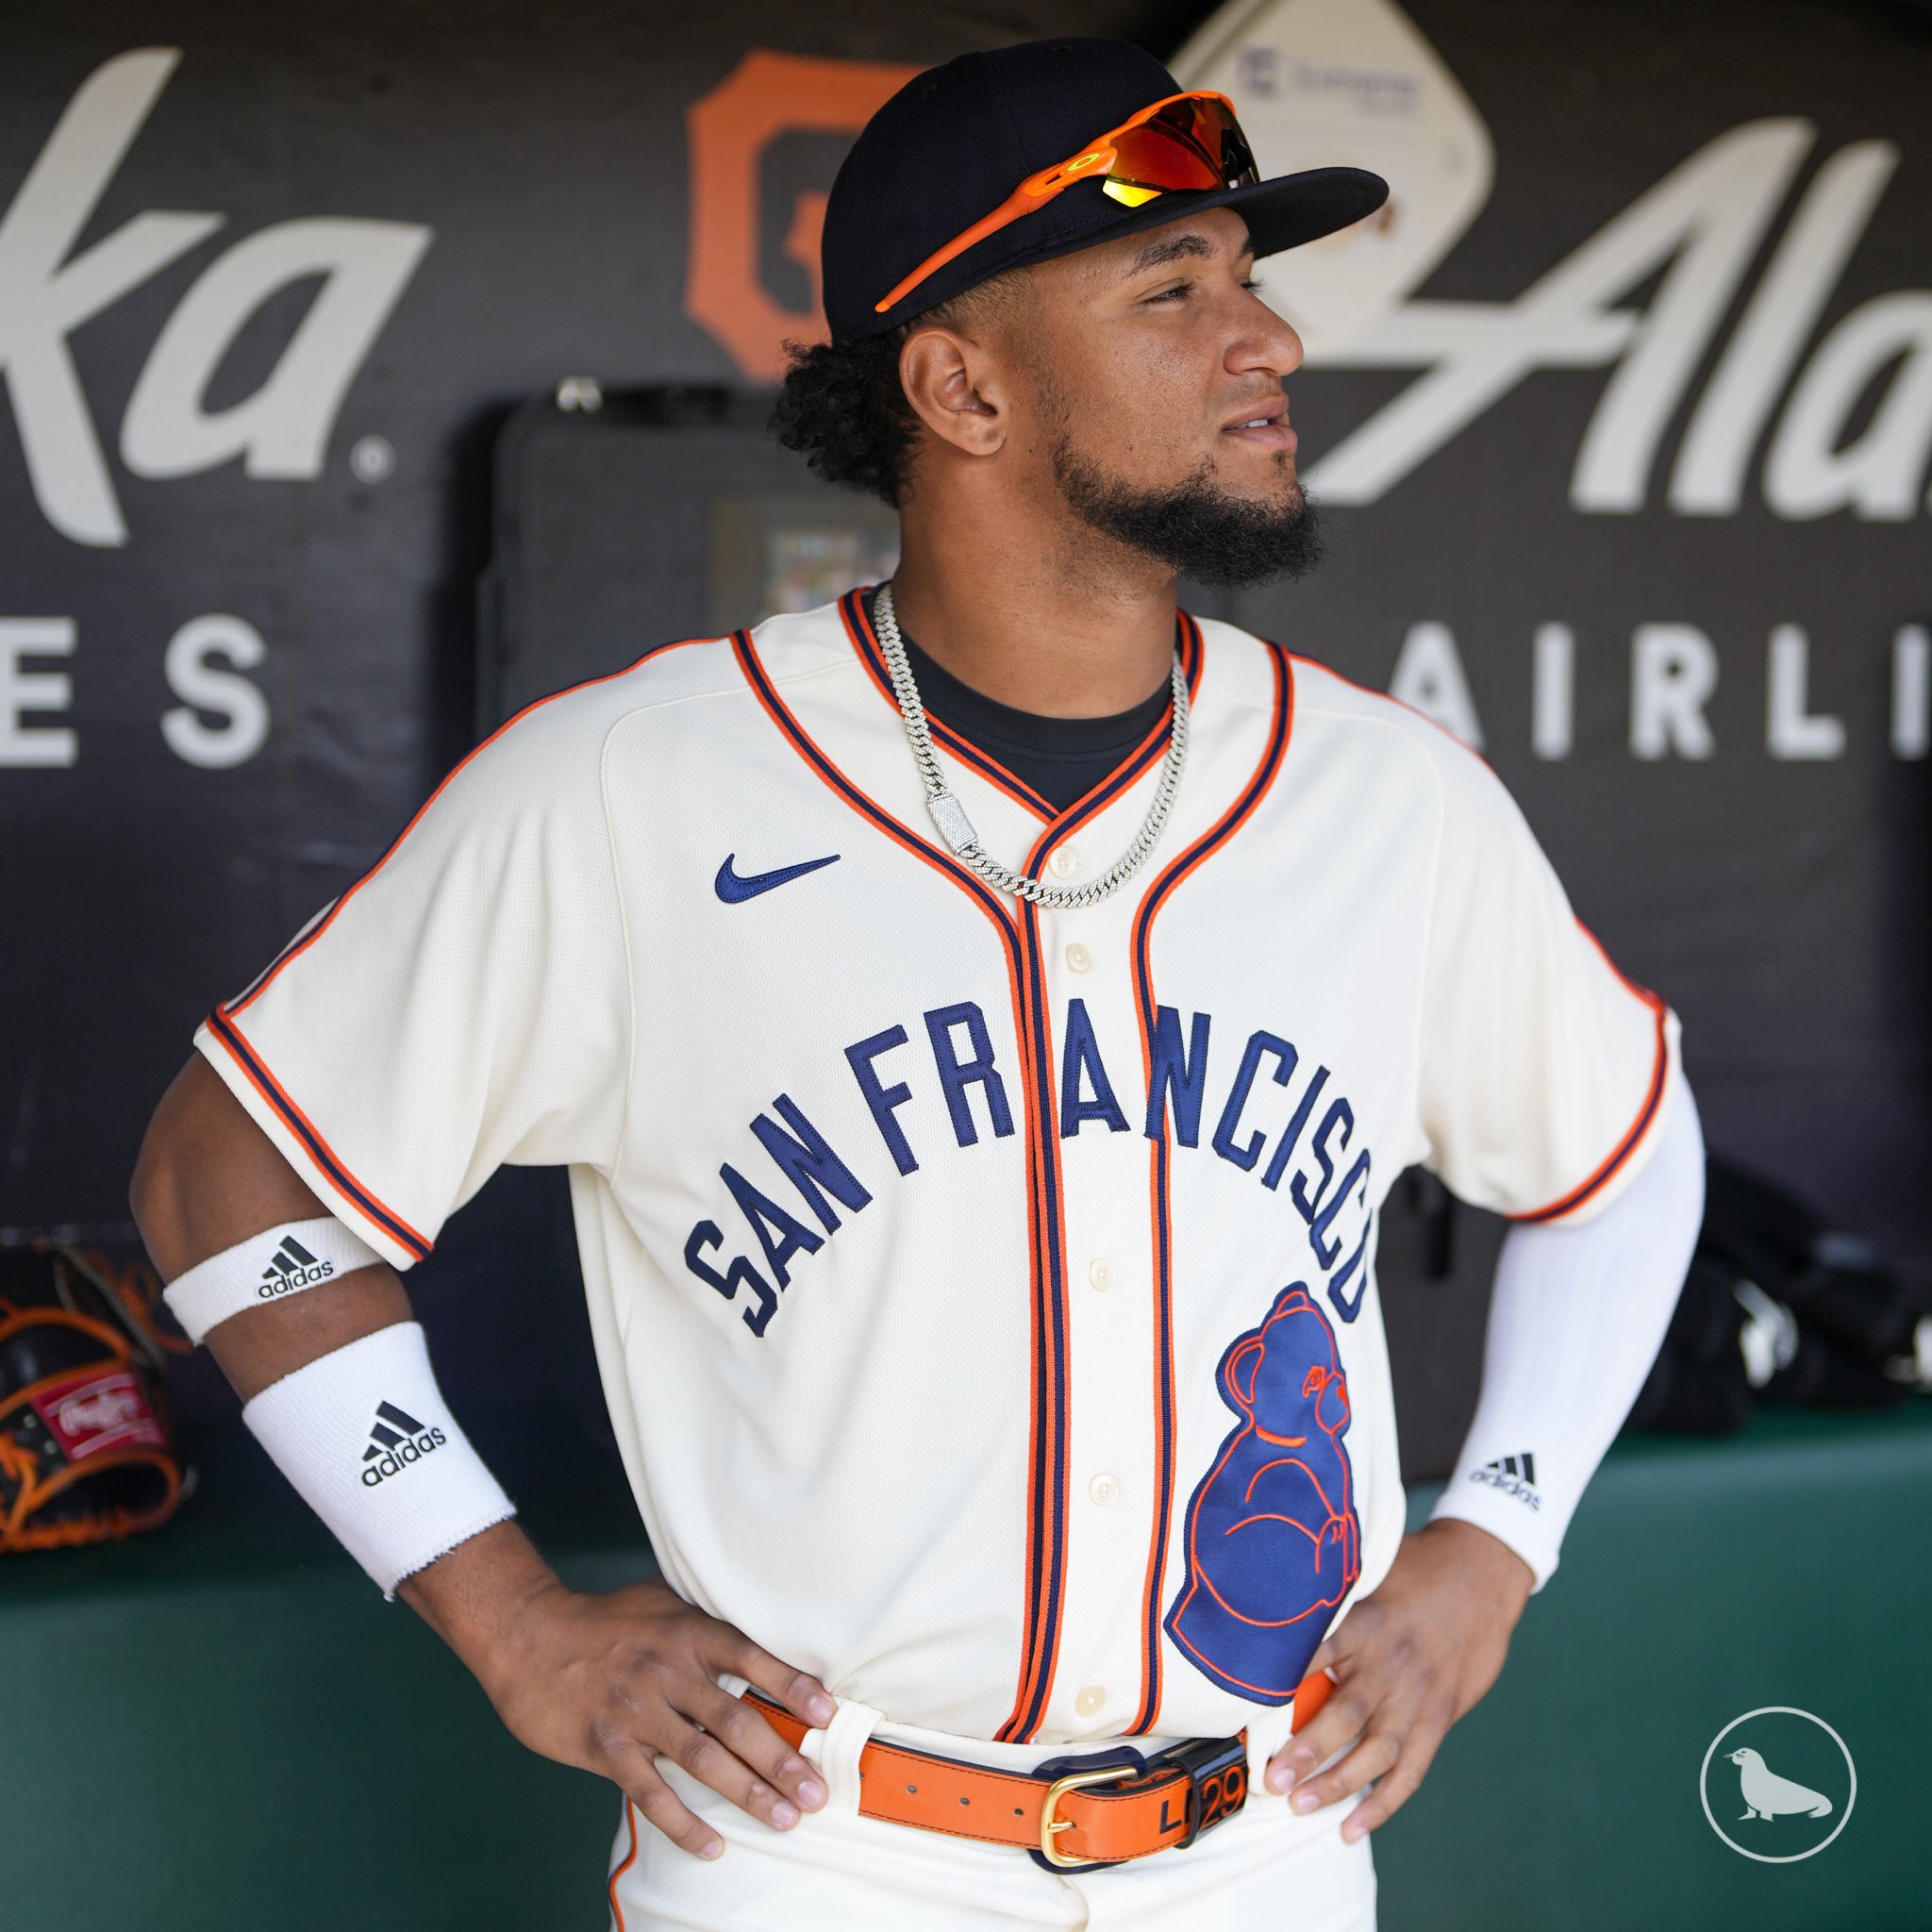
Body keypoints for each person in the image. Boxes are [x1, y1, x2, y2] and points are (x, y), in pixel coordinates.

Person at [130, 37, 1706, 1931]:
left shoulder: (1397, 800)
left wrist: (1496, 1535)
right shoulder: (637, 784)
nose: (1265, 336)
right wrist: (510, 1615)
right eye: (1175, 289)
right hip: (822, 1847)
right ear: (958, 384)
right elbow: (229, 1179)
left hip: (1266, 1846)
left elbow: (1623, 1155)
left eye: (1251, 277)